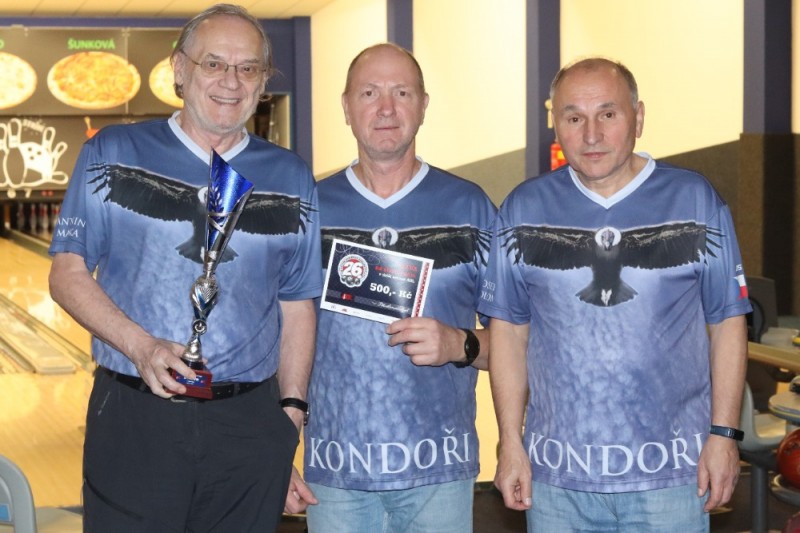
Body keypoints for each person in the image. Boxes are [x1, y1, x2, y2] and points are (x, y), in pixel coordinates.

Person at [48, 4, 321, 531]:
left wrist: (288, 416)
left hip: (249, 420)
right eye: (213, 63)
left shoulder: (289, 175)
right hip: (137, 411)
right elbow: (67, 273)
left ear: (264, 80)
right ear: (179, 68)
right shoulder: (114, 151)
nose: (231, 81)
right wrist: (142, 347)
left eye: (248, 68)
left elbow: (296, 303)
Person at [478, 57, 751, 532]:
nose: (592, 134)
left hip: (671, 475)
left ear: (638, 117)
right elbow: (509, 334)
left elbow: (727, 321)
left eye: (608, 114)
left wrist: (724, 435)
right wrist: (510, 443)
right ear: (555, 125)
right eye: (573, 117)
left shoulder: (693, 199)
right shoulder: (523, 208)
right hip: (556, 478)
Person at [296, 43, 496, 532]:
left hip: (439, 472)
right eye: (369, 93)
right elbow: (279, 340)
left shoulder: (469, 208)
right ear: (346, 107)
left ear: (423, 105)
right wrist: (275, 449)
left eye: (401, 93)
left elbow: (519, 341)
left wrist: (460, 344)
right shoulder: (309, 210)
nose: (386, 108)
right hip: (335, 474)